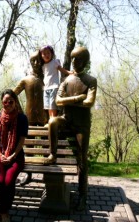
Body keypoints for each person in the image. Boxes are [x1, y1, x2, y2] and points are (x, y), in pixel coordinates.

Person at [43, 46, 97, 211]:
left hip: (81, 124)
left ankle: (82, 195)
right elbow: (58, 102)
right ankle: (53, 154)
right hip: (67, 119)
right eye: (73, 59)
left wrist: (71, 100)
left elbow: (89, 102)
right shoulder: (67, 80)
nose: (74, 62)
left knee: (81, 160)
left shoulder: (90, 80)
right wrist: (78, 98)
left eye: (78, 59)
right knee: (52, 122)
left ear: (85, 62)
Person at [0, 89, 28, 222]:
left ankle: (3, 211)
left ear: (15, 102)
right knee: (0, 181)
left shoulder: (22, 118)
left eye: (10, 102)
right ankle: (3, 213)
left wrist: (12, 156)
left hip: (16, 156)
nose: (7, 104)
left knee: (8, 181)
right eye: (5, 102)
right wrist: (0, 154)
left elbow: (21, 140)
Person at [13, 50, 47, 186]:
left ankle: (47, 173)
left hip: (45, 117)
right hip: (29, 117)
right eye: (33, 60)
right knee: (29, 147)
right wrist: (20, 111)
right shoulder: (26, 79)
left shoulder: (48, 78)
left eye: (38, 60)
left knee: (46, 146)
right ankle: (28, 173)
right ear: (30, 62)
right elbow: (12, 94)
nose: (36, 63)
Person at [39, 45, 71, 125]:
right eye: (44, 54)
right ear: (41, 55)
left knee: (52, 105)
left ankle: (53, 120)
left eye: (48, 53)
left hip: (54, 87)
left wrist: (70, 73)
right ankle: (51, 120)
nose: (46, 55)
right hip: (46, 88)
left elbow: (62, 70)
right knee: (48, 106)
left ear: (52, 53)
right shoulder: (43, 66)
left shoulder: (55, 62)